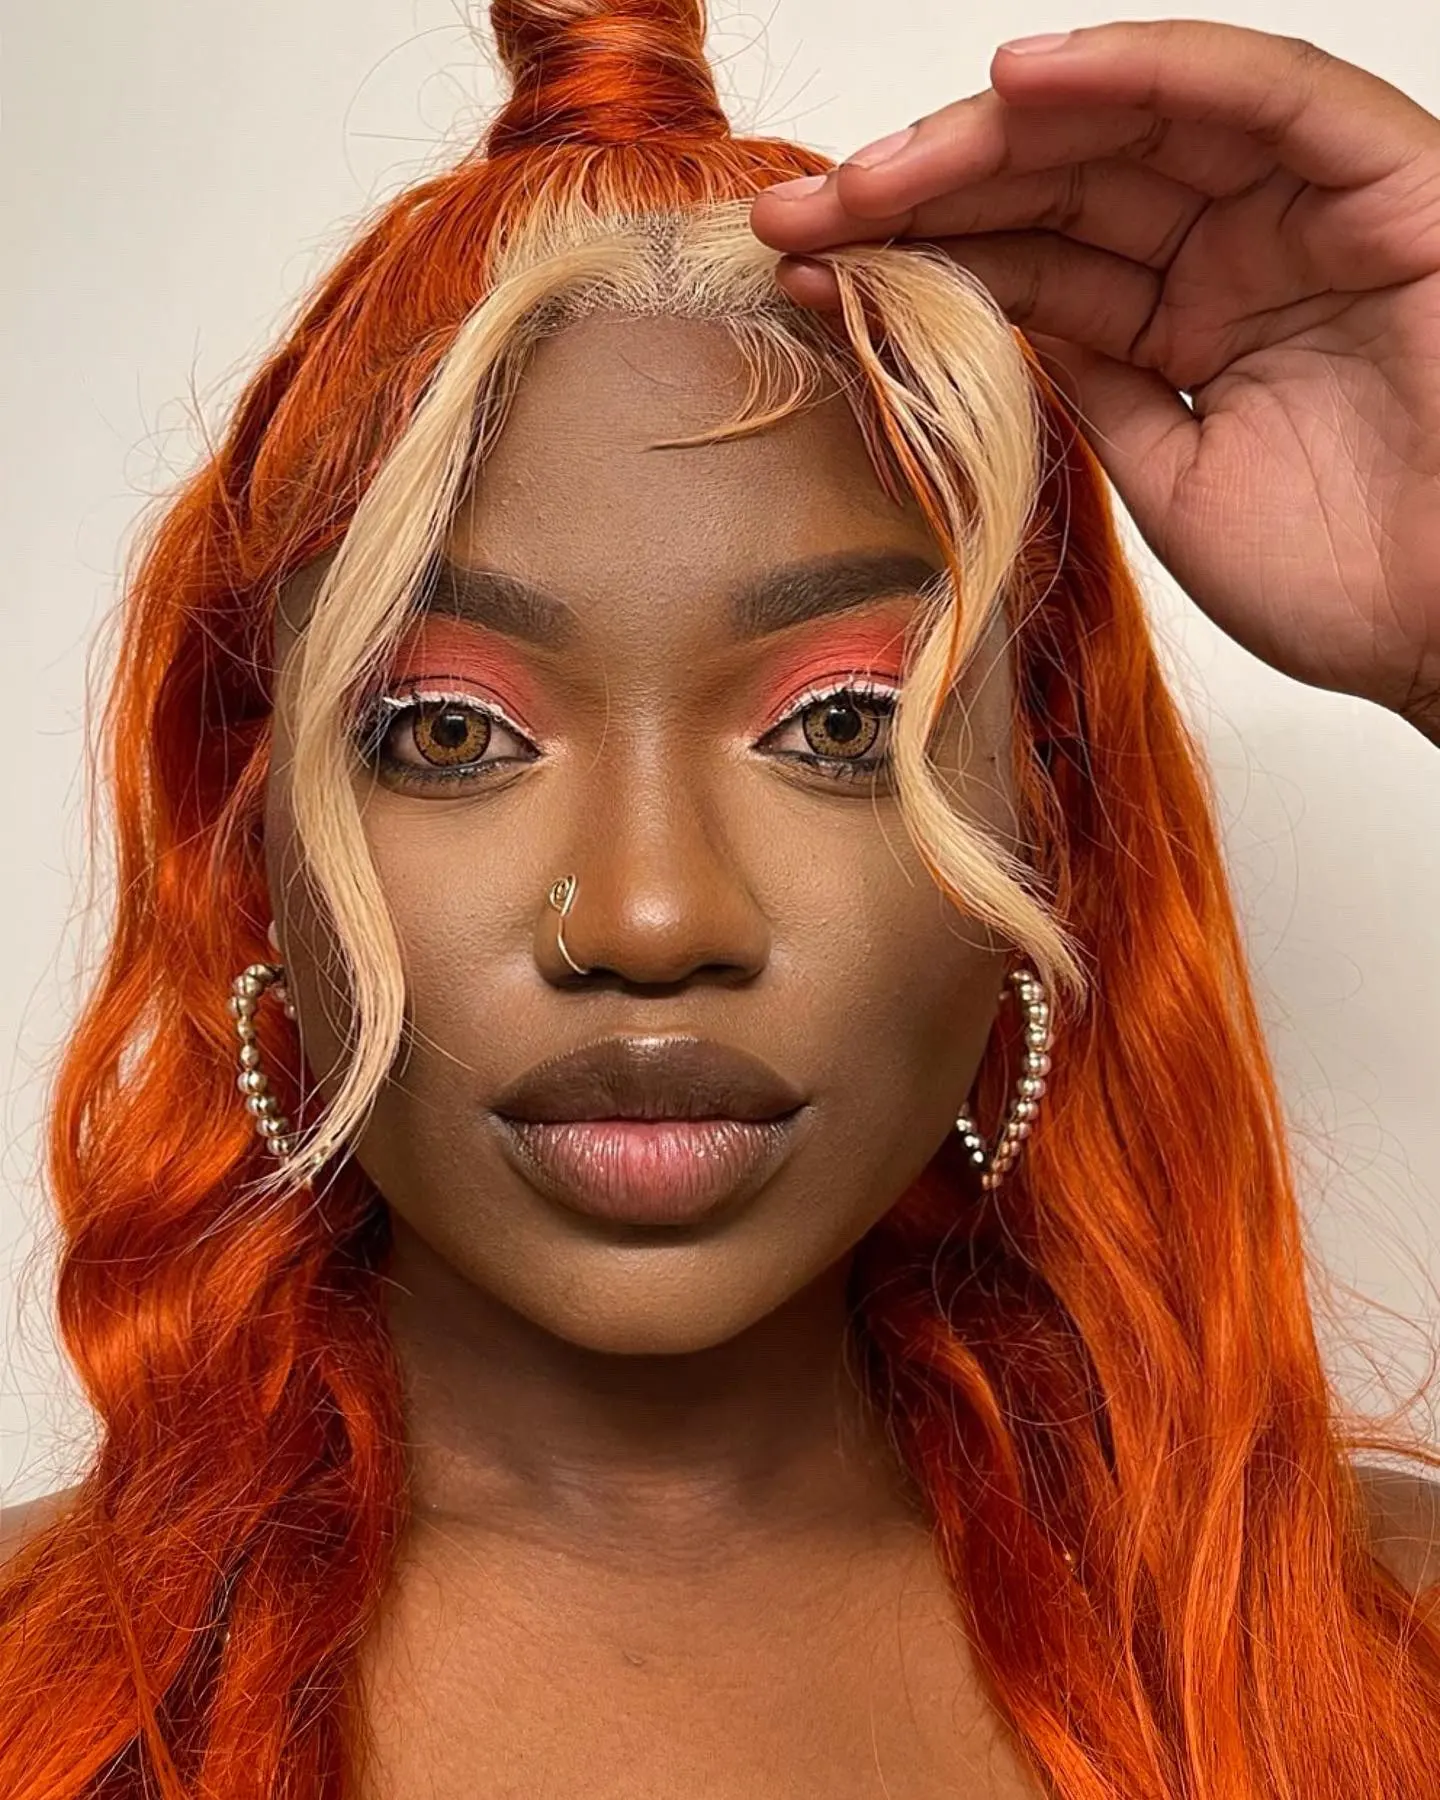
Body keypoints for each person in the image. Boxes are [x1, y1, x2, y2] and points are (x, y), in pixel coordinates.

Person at [1, 6, 1437, 1796]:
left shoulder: (1370, 1642)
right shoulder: (36, 1699)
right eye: (448, 731)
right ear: (251, 845)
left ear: (1045, 829)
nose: (652, 918)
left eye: (843, 726)